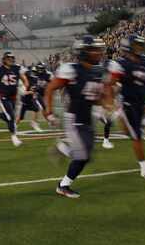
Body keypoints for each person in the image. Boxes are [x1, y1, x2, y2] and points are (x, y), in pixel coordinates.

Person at [45, 36, 107, 199]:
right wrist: (49, 111)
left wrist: (103, 106)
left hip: (87, 117)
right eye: (94, 49)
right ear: (83, 52)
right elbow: (50, 88)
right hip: (73, 118)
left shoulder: (98, 70)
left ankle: (63, 176)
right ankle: (63, 185)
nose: (99, 52)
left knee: (86, 156)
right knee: (83, 155)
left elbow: (95, 95)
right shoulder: (71, 69)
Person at [106, 35, 145, 180]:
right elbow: (109, 83)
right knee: (136, 135)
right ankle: (144, 167)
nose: (139, 48)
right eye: (136, 45)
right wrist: (110, 101)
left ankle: (124, 118)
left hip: (143, 101)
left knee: (134, 131)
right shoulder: (120, 63)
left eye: (140, 45)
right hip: (128, 102)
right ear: (128, 47)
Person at [0, 52, 28, 146]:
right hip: (3, 96)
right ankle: (14, 137)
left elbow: (25, 80)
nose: (10, 60)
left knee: (10, 116)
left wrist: (24, 87)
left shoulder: (17, 68)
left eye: (12, 58)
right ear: (4, 59)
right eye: (8, 58)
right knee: (11, 116)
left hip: (13, 97)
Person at [17, 65, 43, 132]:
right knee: (20, 118)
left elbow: (36, 89)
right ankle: (13, 126)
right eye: (33, 72)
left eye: (35, 72)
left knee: (37, 109)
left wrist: (35, 92)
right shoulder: (23, 81)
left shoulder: (35, 80)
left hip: (30, 100)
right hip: (24, 101)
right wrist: (30, 92)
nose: (34, 74)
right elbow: (22, 93)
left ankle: (33, 123)